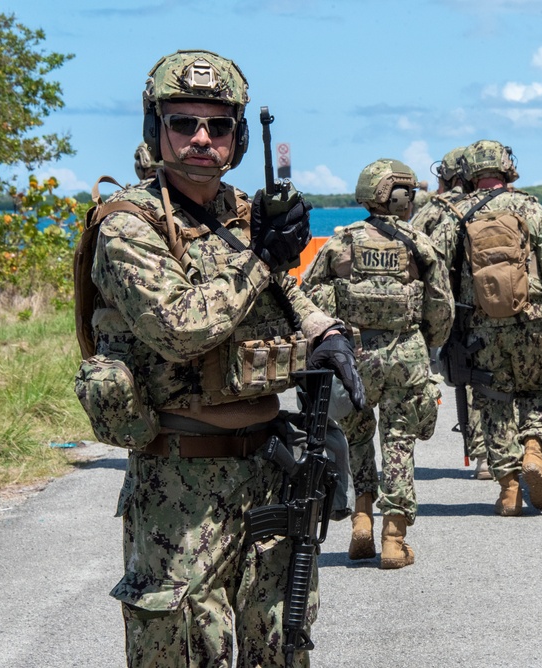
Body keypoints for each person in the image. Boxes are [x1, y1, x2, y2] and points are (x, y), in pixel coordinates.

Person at [84, 50, 365, 667]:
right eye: (182, 123)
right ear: (155, 130)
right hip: (180, 480)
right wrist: (262, 258)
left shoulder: (241, 214)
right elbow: (182, 329)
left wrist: (328, 331)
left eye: (217, 125)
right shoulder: (128, 226)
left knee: (279, 643)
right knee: (186, 647)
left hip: (268, 467)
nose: (200, 138)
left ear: (238, 137)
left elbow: (287, 298)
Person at [303, 159, 453, 569]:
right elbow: (441, 307)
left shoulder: (339, 244)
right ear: (403, 196)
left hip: (355, 356)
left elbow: (309, 298)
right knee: (399, 441)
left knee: (356, 437)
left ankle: (362, 520)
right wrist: (428, 344)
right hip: (406, 354)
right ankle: (394, 538)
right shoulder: (419, 244)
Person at [431, 139, 542, 516]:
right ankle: (533, 449)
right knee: (540, 386)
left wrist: (441, 329)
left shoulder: (457, 214)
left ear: (470, 173)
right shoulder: (530, 207)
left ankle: (509, 489)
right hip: (532, 320)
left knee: (494, 401)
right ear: (506, 168)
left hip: (482, 326)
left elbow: (435, 273)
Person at [409, 146, 493, 480]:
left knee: (466, 376)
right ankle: (507, 451)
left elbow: (412, 245)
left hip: (455, 305)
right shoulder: (498, 204)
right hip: (497, 302)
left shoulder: (437, 209)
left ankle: (483, 453)